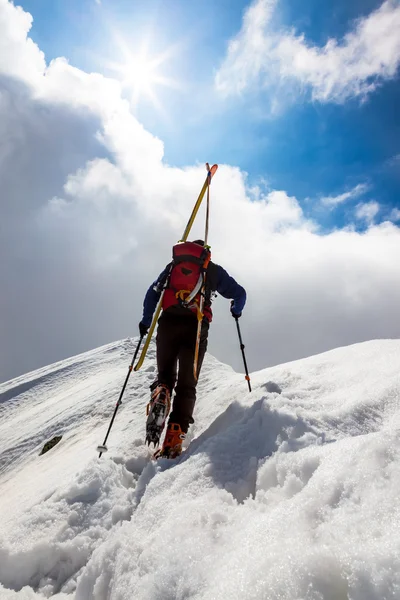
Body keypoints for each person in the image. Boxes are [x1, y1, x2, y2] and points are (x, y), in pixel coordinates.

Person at [139, 239, 246, 458]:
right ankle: (172, 440)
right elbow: (240, 293)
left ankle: (162, 392)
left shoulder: (172, 267)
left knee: (165, 376)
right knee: (187, 385)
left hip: (168, 322)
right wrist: (236, 309)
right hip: (196, 327)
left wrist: (146, 320)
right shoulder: (212, 271)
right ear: (205, 254)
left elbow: (152, 293)